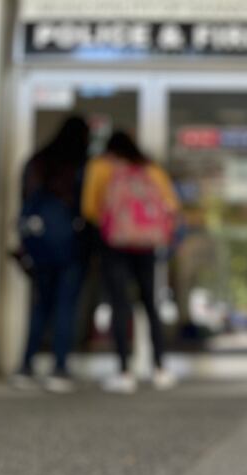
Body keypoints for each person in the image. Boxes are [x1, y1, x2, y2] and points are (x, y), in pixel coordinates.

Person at [82, 131, 180, 393]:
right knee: (150, 302)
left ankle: (124, 371)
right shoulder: (150, 169)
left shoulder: (100, 167)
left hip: (114, 243)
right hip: (147, 244)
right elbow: (170, 203)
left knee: (120, 304)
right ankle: (159, 368)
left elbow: (90, 208)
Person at [13, 116, 90, 393]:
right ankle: (59, 367)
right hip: (70, 246)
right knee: (65, 307)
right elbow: (87, 207)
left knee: (41, 306)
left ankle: (25, 365)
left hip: (41, 245)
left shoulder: (37, 162)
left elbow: (26, 202)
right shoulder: (80, 165)